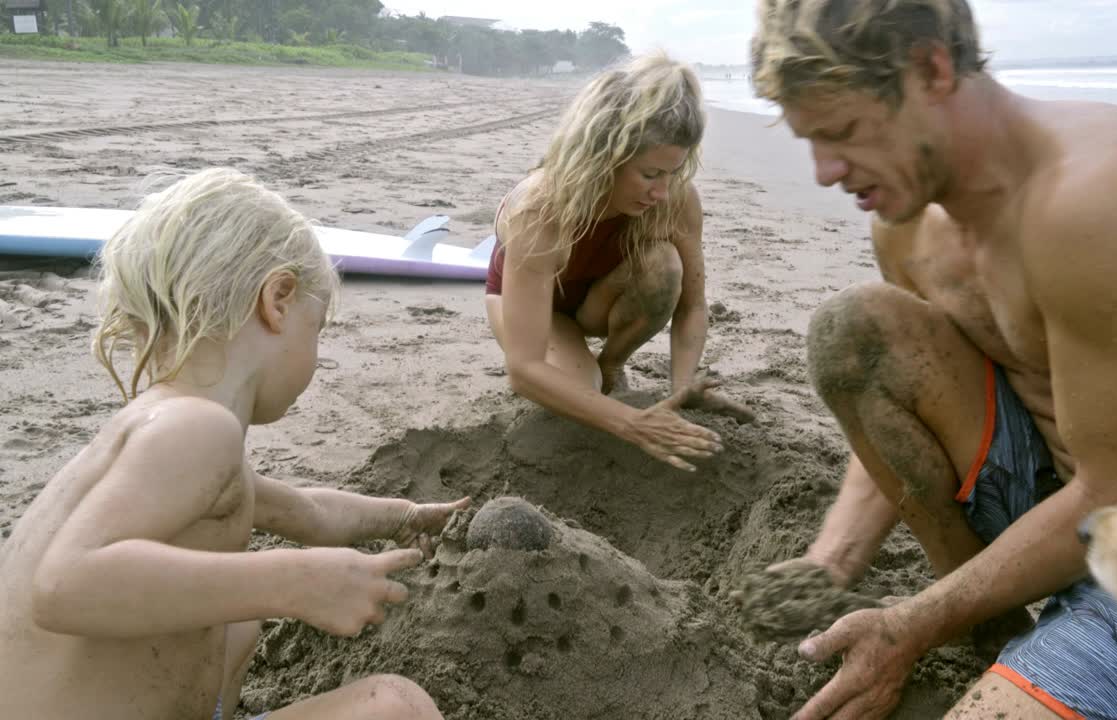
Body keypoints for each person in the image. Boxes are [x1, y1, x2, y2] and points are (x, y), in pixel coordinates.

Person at [749, 0, 1117, 718]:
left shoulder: (1099, 200)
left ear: (931, 69)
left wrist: (909, 624)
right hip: (1072, 504)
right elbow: (904, 430)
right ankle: (989, 629)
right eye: (810, 139)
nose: (823, 171)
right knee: (856, 330)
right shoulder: (909, 222)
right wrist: (835, 558)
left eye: (841, 132)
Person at [0, 168, 470, 720]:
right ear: (278, 300)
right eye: (316, 327)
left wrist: (407, 515)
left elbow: (311, 512)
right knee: (397, 707)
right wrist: (296, 582)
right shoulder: (197, 431)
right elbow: (62, 586)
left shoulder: (164, 426)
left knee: (235, 623)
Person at [484, 51, 754, 473]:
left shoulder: (675, 199)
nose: (662, 192)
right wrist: (632, 424)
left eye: (674, 172)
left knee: (664, 265)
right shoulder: (538, 211)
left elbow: (692, 306)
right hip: (534, 306)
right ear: (604, 157)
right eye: (650, 175)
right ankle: (591, 371)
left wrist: (681, 390)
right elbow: (524, 368)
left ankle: (612, 362)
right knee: (577, 390)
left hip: (598, 298)